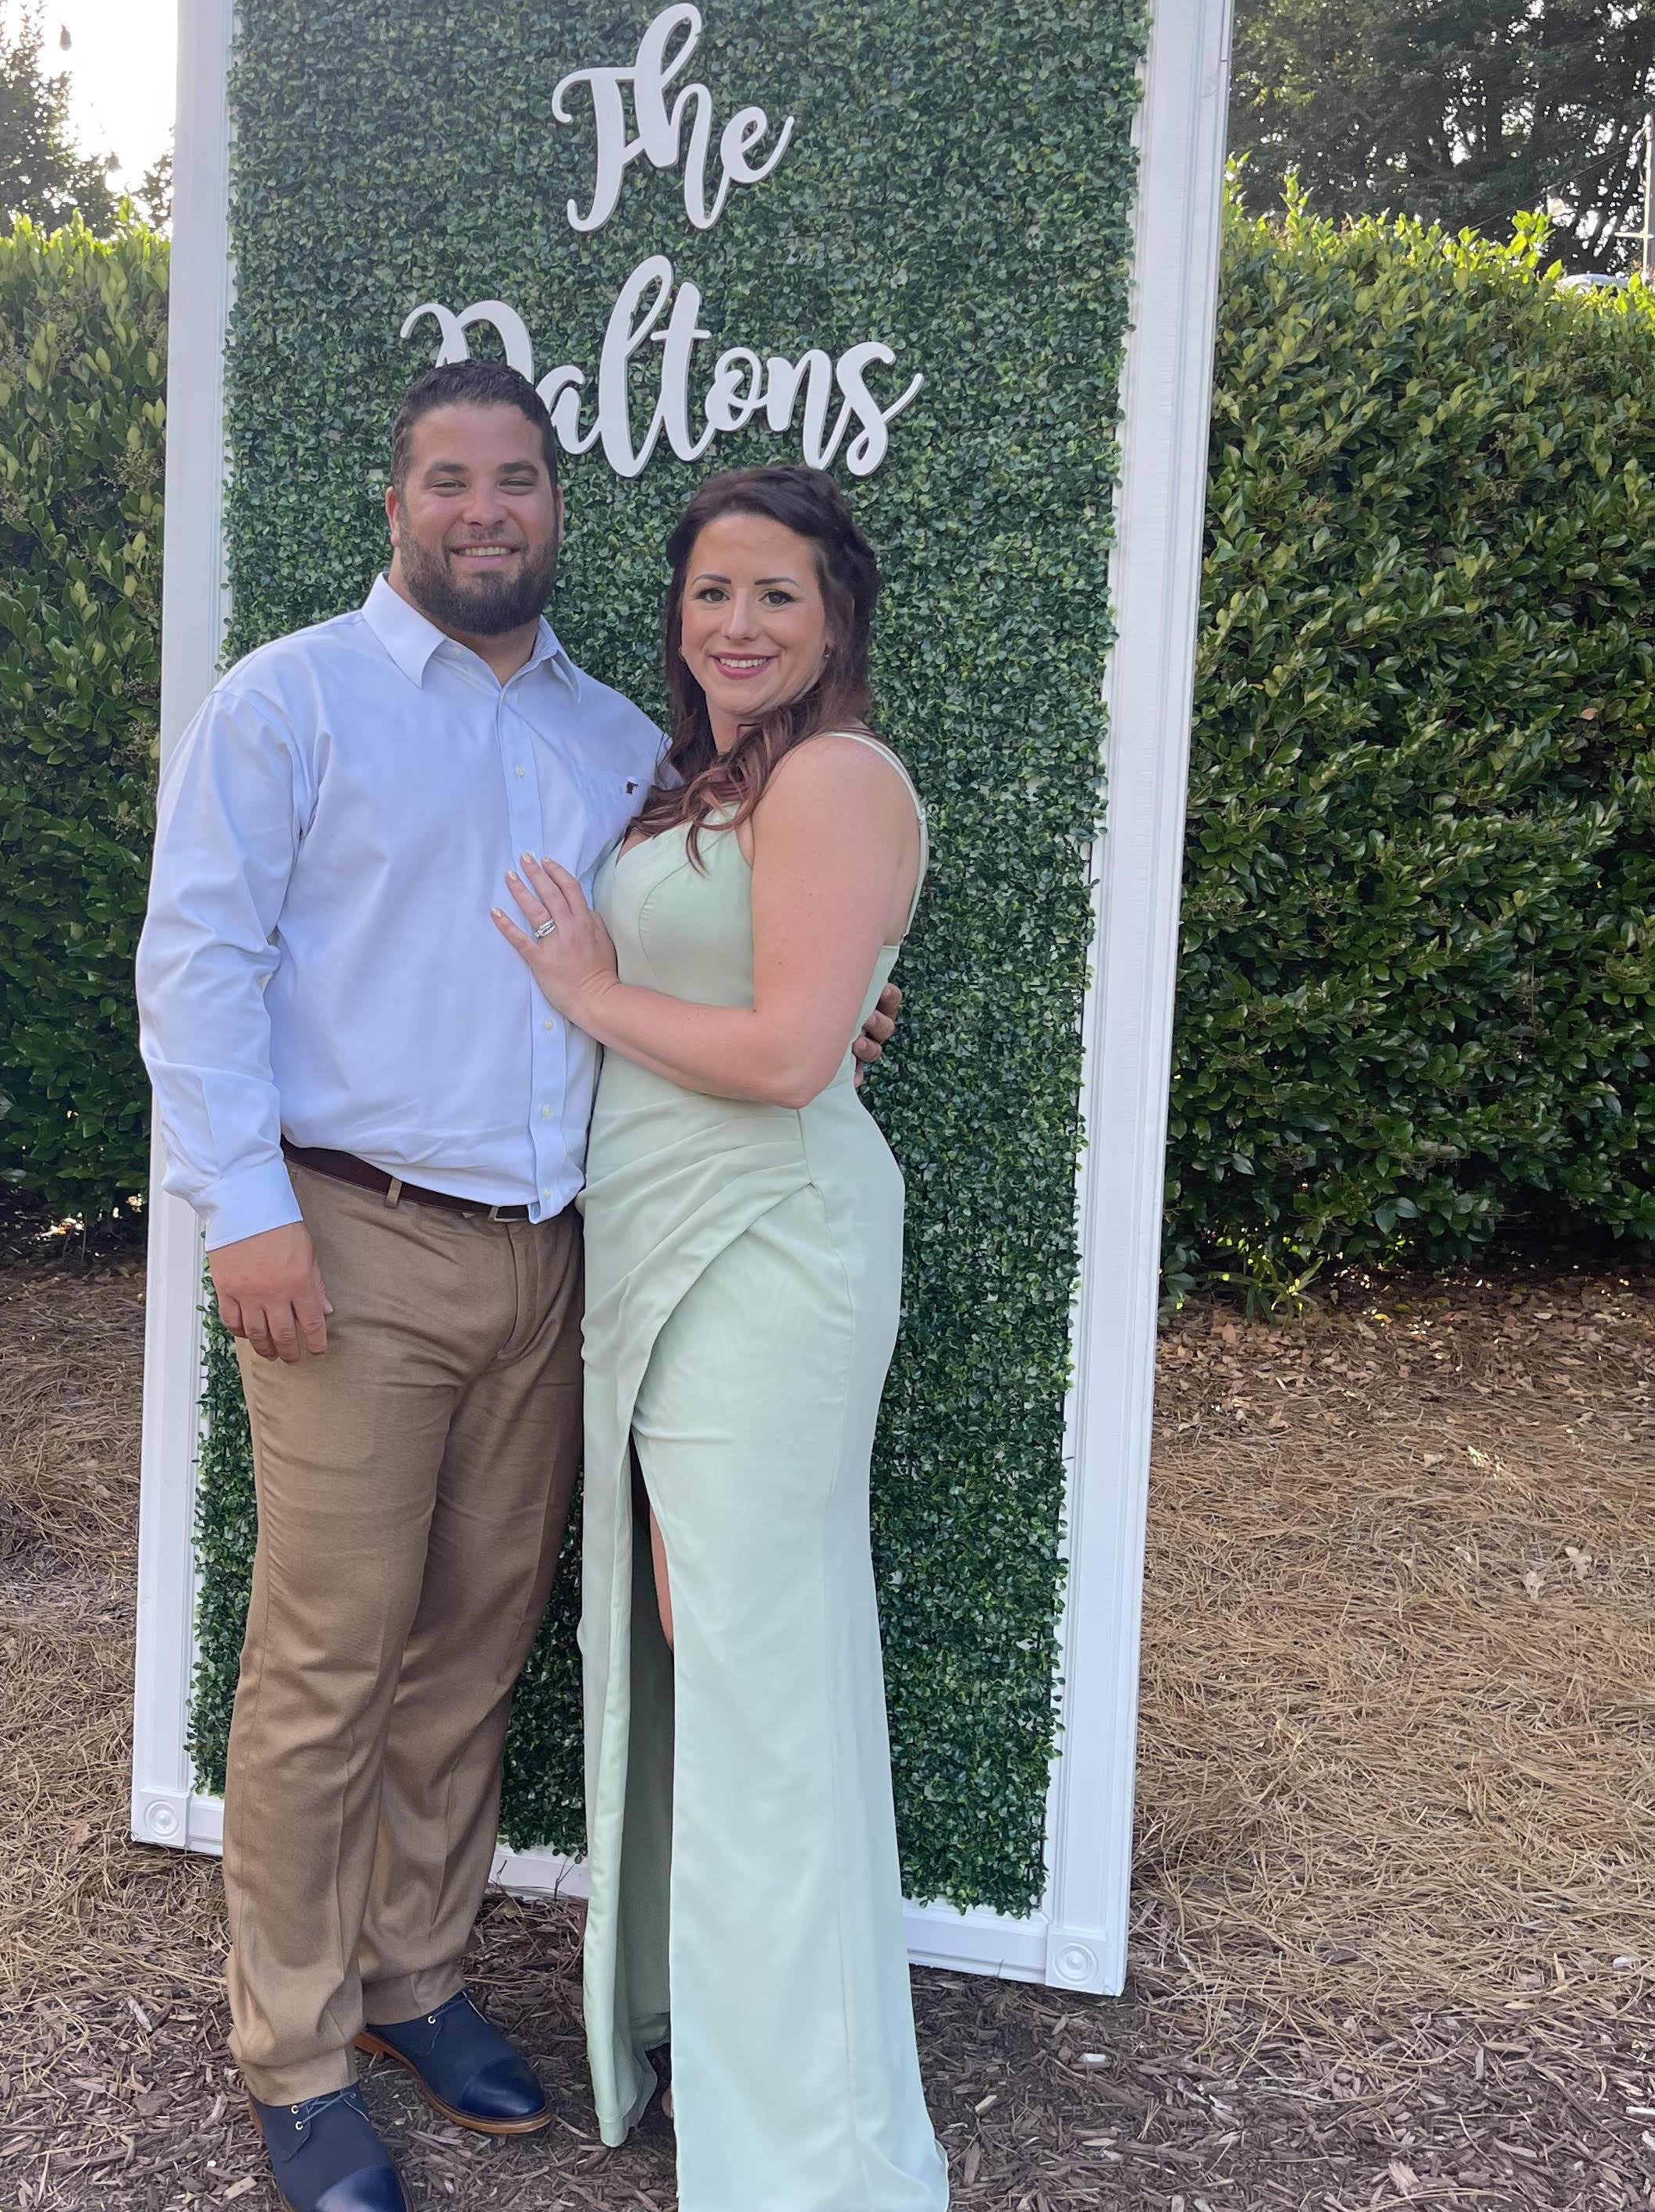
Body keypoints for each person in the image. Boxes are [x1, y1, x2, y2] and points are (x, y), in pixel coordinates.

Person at [136, 365, 900, 2212]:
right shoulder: (291, 700)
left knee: (474, 1646)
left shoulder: (619, 739)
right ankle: (297, 2052)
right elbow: (200, 955)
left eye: (519, 480)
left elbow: (723, 946)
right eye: (450, 479)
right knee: (327, 1657)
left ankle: (413, 1976)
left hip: (563, 1256)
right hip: (353, 1237)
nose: (487, 509)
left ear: (557, 504)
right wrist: (245, 1210)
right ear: (398, 503)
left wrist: (829, 1021)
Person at [494, 464, 950, 2210]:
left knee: (762, 1667)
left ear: (835, 621)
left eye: (776, 593)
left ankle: (813, 2152)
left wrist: (592, 993)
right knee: (715, 1650)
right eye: (710, 591)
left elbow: (783, 1055)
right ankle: (745, 2057)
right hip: (674, 1247)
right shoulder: (715, 783)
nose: (738, 623)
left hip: (766, 1247)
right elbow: (790, 1001)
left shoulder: (834, 774)